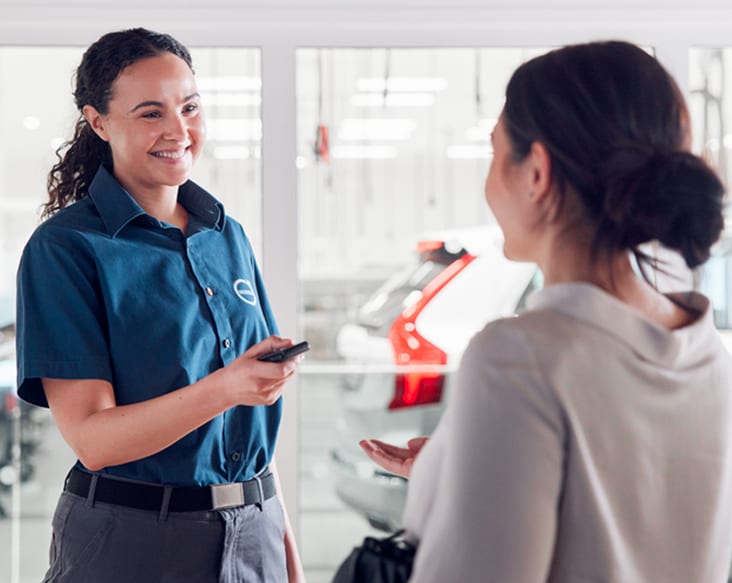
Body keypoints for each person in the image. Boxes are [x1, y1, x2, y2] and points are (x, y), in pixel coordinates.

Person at [360, 41, 732, 582]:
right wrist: (462, 467)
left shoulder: (520, 359)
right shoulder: (708, 354)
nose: (488, 181)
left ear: (536, 171)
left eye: (494, 152)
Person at [15, 28, 305, 583]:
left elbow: (250, 438)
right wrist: (227, 387)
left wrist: (287, 558)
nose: (179, 131)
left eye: (190, 107)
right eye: (151, 113)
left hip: (256, 529)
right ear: (98, 122)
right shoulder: (67, 249)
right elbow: (93, 439)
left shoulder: (226, 235)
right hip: (136, 539)